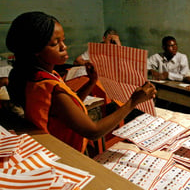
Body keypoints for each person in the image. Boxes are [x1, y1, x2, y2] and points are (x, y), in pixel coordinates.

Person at [6, 11, 156, 152]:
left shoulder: (41, 75)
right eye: (55, 44)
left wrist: (92, 82)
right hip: (64, 152)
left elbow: (68, 108)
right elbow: (93, 131)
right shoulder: (49, 86)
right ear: (35, 50)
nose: (64, 47)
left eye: (63, 41)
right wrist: (133, 102)